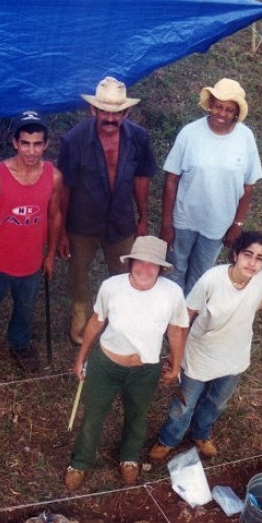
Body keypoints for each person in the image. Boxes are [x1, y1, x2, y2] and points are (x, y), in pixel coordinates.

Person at [149, 231, 262, 461]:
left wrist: (256, 306)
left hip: (235, 356)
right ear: (235, 254)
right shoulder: (212, 280)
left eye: (259, 258)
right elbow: (186, 316)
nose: (252, 263)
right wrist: (176, 356)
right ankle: (168, 439)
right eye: (247, 255)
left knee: (217, 402)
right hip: (200, 354)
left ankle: (201, 434)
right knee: (184, 404)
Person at [66, 236, 189, 491]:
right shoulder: (112, 286)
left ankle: (129, 457)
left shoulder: (172, 293)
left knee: (137, 416)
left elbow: (176, 331)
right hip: (106, 364)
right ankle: (79, 462)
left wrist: (176, 365)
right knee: (93, 415)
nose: (145, 269)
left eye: (152, 265)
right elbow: (96, 322)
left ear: (161, 269)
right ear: (130, 263)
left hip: (145, 370)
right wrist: (81, 359)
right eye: (139, 263)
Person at [57, 77, 158, 344]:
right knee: (78, 272)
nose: (110, 118)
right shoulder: (74, 140)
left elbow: (141, 179)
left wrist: (143, 218)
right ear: (93, 110)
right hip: (82, 221)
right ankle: (79, 315)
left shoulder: (138, 137)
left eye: (116, 113)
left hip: (122, 219)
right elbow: (64, 187)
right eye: (104, 111)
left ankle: (121, 317)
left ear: (126, 112)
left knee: (125, 271)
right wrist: (63, 230)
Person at [0, 111, 62, 373]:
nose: (31, 150)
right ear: (15, 143)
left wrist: (49, 256)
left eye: (37, 143)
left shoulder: (53, 176)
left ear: (46, 144)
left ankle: (19, 344)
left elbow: (54, 215)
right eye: (25, 143)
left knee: (25, 309)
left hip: (31, 262)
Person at [160, 77, 262, 295]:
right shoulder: (190, 133)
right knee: (175, 269)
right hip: (184, 219)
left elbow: (248, 186)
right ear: (210, 105)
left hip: (218, 223)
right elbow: (171, 179)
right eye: (218, 106)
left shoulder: (245, 137)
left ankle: (189, 320)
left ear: (236, 113)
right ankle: (173, 316)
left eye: (228, 109)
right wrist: (167, 223)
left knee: (202, 275)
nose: (221, 114)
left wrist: (237, 224)